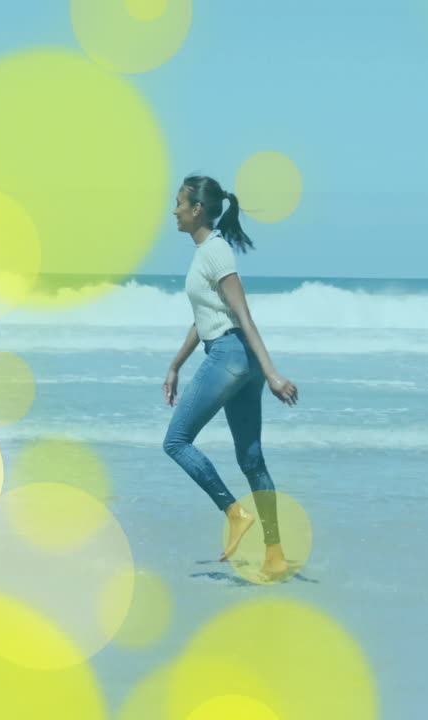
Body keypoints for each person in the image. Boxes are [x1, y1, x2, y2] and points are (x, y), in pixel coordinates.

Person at [161, 174, 299, 580]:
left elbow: (242, 314)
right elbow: (205, 318)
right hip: (239, 359)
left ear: (196, 209)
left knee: (176, 441)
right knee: (251, 459)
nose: (174, 210)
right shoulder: (206, 252)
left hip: (230, 355)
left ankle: (234, 513)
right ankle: (275, 555)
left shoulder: (215, 251)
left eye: (179, 203)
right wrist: (175, 365)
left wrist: (273, 373)